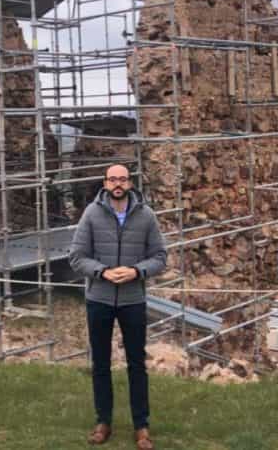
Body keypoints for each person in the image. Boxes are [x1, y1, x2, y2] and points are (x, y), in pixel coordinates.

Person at [69, 164, 167, 450]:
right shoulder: (91, 213)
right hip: (99, 299)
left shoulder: (146, 215)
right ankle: (103, 421)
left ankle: (142, 426)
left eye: (123, 179)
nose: (118, 184)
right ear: (105, 183)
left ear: (130, 183)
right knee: (100, 364)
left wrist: (137, 271)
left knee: (137, 365)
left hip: (132, 300)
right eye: (113, 179)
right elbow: (76, 256)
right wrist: (102, 271)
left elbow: (160, 256)